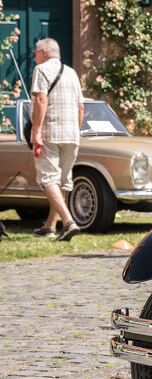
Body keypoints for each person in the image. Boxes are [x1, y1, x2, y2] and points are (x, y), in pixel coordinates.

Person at [29, 37, 84, 242]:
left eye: (36, 51)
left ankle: (68, 221)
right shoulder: (72, 73)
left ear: (44, 52)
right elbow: (81, 107)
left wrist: (36, 132)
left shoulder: (41, 70)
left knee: (48, 178)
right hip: (71, 134)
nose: (34, 55)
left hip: (51, 132)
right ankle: (50, 227)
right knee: (61, 181)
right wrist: (75, 131)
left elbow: (41, 99)